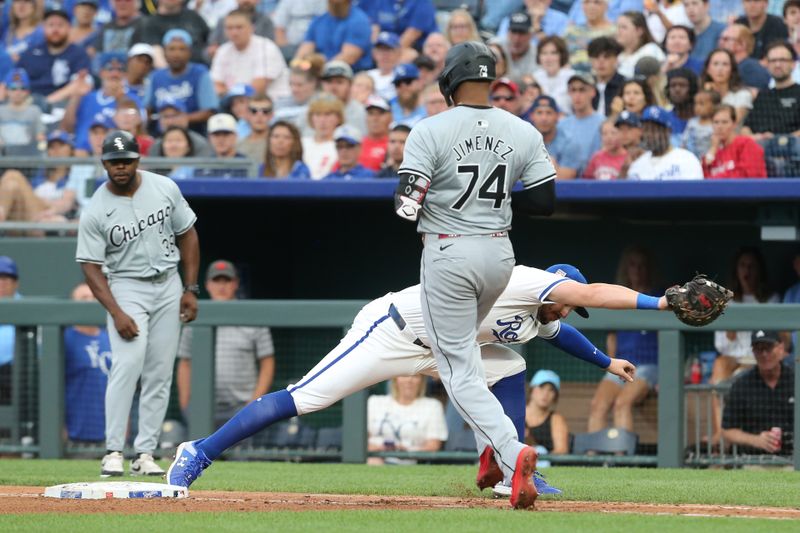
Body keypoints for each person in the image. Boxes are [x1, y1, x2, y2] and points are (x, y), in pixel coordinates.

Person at [168, 259, 684, 494]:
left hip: (449, 349)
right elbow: (590, 293)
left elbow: (562, 334)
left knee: (512, 362)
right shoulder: (527, 282)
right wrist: (660, 302)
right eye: (567, 304)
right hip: (394, 333)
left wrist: (607, 362)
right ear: (556, 289)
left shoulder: (541, 315)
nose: (568, 312)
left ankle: (508, 471)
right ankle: (199, 452)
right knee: (307, 399)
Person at [392, 41, 558, 510]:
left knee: (456, 371)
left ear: (449, 81)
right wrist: (499, 197)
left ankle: (510, 452)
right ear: (491, 81)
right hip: (500, 255)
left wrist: (434, 195)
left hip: (450, 251)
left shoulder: (429, 129)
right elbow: (545, 202)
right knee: (466, 352)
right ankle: (499, 454)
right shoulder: (522, 129)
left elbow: (406, 206)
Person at [75, 129, 199, 477]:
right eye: (114, 161)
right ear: (104, 163)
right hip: (127, 285)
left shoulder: (164, 187)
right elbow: (90, 265)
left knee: (160, 371)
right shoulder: (96, 209)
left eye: (126, 160)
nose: (121, 167)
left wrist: (190, 287)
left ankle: (145, 453)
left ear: (137, 160)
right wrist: (115, 311)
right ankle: (113, 449)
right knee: (128, 364)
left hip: (168, 283)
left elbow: (187, 233)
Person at [177, 260, 275, 426]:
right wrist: (185, 401)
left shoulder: (252, 316)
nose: (221, 286)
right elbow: (185, 363)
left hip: (241, 407)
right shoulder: (195, 317)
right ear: (207, 284)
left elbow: (267, 362)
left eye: (227, 280)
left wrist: (254, 403)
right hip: (202, 406)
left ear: (236, 283)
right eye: (216, 280)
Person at [709, 247, 780, 445]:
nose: (746, 271)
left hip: (759, 358)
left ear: (759, 271)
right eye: (742, 266)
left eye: (751, 266)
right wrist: (730, 333)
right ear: (736, 270)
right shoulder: (726, 300)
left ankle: (729, 436)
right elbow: (721, 345)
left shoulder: (770, 299)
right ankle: (721, 433)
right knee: (718, 366)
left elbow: (776, 339)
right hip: (734, 359)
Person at [587, 246, 660, 436]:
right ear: (626, 268)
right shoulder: (618, 295)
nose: (637, 269)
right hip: (621, 363)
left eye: (642, 265)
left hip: (648, 366)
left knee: (622, 403)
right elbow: (611, 337)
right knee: (598, 405)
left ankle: (623, 459)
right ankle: (595, 460)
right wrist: (610, 363)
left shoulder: (657, 296)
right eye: (633, 265)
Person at [721, 330, 794, 455]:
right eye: (758, 349)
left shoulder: (795, 380)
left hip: (793, 459)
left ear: (781, 348)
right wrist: (756, 440)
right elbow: (727, 431)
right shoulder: (742, 385)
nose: (764, 354)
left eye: (769, 348)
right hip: (753, 460)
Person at [62, 52, 141, 153]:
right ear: (101, 72)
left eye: (120, 69)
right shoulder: (87, 97)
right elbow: (67, 128)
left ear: (125, 74)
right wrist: (76, 96)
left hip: (116, 155)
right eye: (109, 69)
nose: (115, 74)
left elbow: (137, 131)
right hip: (82, 156)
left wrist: (120, 98)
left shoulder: (133, 99)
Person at [64, 282, 113, 445]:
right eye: (84, 298)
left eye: (94, 297)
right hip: (75, 432)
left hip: (110, 433)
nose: (90, 301)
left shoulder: (111, 337)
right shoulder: (65, 338)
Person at [145, 29, 219, 135]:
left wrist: (178, 120)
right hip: (160, 134)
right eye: (172, 49)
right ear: (164, 52)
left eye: (182, 49)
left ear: (189, 52)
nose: (176, 54)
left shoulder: (200, 73)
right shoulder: (156, 76)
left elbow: (209, 111)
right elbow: (147, 109)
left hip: (194, 132)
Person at [210, 10, 290, 101]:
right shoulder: (223, 50)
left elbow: (257, 88)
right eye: (229, 28)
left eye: (239, 27)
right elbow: (216, 85)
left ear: (251, 28)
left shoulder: (266, 47)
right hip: (236, 104)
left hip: (271, 104)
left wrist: (228, 94)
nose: (234, 33)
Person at [367, 375, 447, 464]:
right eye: (404, 375)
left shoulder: (432, 406)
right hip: (374, 459)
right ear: (395, 379)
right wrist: (379, 448)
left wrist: (407, 450)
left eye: (415, 376)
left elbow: (433, 446)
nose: (409, 380)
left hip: (410, 464)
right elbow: (359, 440)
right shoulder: (374, 402)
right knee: (374, 461)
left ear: (422, 381)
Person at [16, 9, 91, 100]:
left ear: (69, 28)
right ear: (43, 28)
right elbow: (15, 78)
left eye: (60, 25)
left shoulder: (79, 54)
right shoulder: (31, 52)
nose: (55, 30)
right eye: (51, 25)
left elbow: (81, 84)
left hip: (62, 104)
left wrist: (47, 102)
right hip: (29, 102)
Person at [742, 42, 800, 141]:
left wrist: (781, 140)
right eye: (773, 61)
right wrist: (755, 138)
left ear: (793, 64)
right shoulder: (763, 95)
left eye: (783, 60)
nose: (777, 65)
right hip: (760, 148)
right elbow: (746, 127)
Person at [627, 106, 704, 180]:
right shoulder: (637, 165)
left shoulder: (686, 159)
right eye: (646, 129)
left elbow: (694, 191)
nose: (649, 134)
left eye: (655, 129)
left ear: (668, 131)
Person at [294, 0, 372, 72]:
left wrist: (319, 69)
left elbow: (349, 57)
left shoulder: (359, 20)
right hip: (321, 72)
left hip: (351, 73)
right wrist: (299, 65)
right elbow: (305, 50)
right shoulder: (320, 20)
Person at [129, 0, 210, 65]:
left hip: (201, 69)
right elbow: (157, 56)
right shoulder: (149, 23)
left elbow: (210, 42)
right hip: (170, 74)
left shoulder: (193, 16)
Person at [558, 72, 605, 175]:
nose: (577, 95)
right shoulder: (561, 125)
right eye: (573, 90)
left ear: (593, 92)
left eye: (582, 90)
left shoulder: (603, 123)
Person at [702, 104, 766, 178]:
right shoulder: (714, 152)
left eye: (724, 122)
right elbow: (704, 178)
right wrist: (712, 149)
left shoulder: (747, 144)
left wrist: (714, 180)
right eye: (716, 122)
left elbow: (747, 174)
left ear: (734, 124)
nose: (719, 127)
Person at [528, 95, 581, 180]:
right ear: (532, 116)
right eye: (539, 112)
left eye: (549, 113)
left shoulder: (570, 142)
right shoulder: (524, 141)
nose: (544, 118)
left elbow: (565, 178)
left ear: (557, 116)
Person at [205, 0, 276, 59]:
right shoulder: (224, 21)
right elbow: (208, 51)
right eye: (230, 28)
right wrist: (211, 52)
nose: (246, 1)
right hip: (227, 64)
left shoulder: (266, 22)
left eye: (239, 27)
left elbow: (269, 51)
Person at [700, 48, 753, 126]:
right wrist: (707, 95)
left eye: (725, 64)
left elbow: (732, 123)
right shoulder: (700, 93)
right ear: (708, 69)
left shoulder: (742, 95)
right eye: (715, 64)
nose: (720, 69)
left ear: (732, 69)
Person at [363, 0, 437, 54]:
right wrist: (375, 53)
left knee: (409, 54)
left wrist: (388, 55)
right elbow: (374, 29)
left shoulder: (423, 3)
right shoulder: (380, 2)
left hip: (413, 48)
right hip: (383, 44)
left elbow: (411, 36)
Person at [0, 68, 44, 156]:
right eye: (13, 88)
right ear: (7, 91)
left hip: (27, 157)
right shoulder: (1, 111)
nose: (18, 92)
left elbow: (40, 136)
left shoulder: (34, 111)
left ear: (27, 91)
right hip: (3, 157)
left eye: (22, 88)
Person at [562, 0, 616, 71]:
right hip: (571, 77)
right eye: (586, 2)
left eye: (596, 2)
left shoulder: (615, 32)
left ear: (606, 6)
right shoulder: (571, 32)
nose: (591, 7)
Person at [524, 370, 569, 455]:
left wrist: (541, 462)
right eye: (541, 387)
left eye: (551, 390)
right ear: (532, 389)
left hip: (546, 466)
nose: (545, 393)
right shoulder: (517, 413)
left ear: (555, 396)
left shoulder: (556, 419)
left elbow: (561, 451)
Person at [194, 113, 251, 178]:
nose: (221, 139)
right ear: (209, 138)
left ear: (235, 136)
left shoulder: (247, 165)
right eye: (216, 135)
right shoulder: (203, 166)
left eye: (226, 134)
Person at [319, 60, 367, 136]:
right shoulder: (311, 111)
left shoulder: (361, 113)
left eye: (339, 82)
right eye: (329, 82)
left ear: (350, 85)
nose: (333, 87)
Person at [718, 24, 770, 91]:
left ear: (742, 44)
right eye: (720, 38)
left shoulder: (751, 69)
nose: (720, 42)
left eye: (726, 39)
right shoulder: (735, 67)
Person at [302, 95, 343, 179]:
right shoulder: (301, 143)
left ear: (338, 118)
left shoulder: (344, 146)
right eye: (318, 114)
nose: (322, 120)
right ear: (311, 118)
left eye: (328, 114)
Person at [616, 11, 666, 79]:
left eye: (624, 27)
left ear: (639, 31)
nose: (618, 31)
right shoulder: (618, 56)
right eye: (618, 27)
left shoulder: (651, 50)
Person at [532, 36, 575, 114]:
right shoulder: (535, 77)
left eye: (553, 53)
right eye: (544, 53)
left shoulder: (572, 78)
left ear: (562, 55)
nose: (548, 58)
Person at [0, 256, 21, 405]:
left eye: (5, 279)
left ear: (15, 283)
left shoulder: (26, 308)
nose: (1, 284)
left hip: (14, 375)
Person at [589, 36, 625, 117]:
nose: (601, 62)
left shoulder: (625, 85)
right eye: (596, 57)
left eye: (606, 57)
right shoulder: (586, 86)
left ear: (616, 59)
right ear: (591, 60)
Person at [681, 88, 720, 158]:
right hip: (691, 159)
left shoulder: (716, 125)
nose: (697, 107)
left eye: (701, 104)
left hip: (709, 161)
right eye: (696, 104)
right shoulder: (692, 122)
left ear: (714, 106)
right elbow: (684, 141)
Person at [664, 67, 698, 144]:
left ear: (692, 89)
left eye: (682, 85)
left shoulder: (702, 118)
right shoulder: (665, 119)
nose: (677, 90)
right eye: (673, 85)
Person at [502, 12, 540, 81]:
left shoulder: (537, 55)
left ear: (531, 35)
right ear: (507, 33)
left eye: (522, 33)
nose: (517, 38)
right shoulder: (498, 46)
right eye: (514, 32)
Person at [358, 95, 392, 171]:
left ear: (391, 117)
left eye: (380, 113)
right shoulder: (354, 144)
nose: (375, 118)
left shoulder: (396, 143)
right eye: (371, 113)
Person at [237, 95, 273, 164]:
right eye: (254, 111)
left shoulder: (278, 145)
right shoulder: (237, 146)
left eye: (265, 111)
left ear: (271, 115)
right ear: (247, 114)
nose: (259, 115)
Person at [367, 32, 402, 103]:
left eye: (389, 50)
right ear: (374, 53)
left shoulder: (403, 76)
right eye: (381, 50)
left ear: (398, 53)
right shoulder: (367, 75)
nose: (384, 55)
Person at [389, 63, 426, 128]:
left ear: (419, 82)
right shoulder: (390, 107)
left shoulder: (430, 106)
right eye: (398, 83)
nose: (403, 86)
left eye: (408, 81)